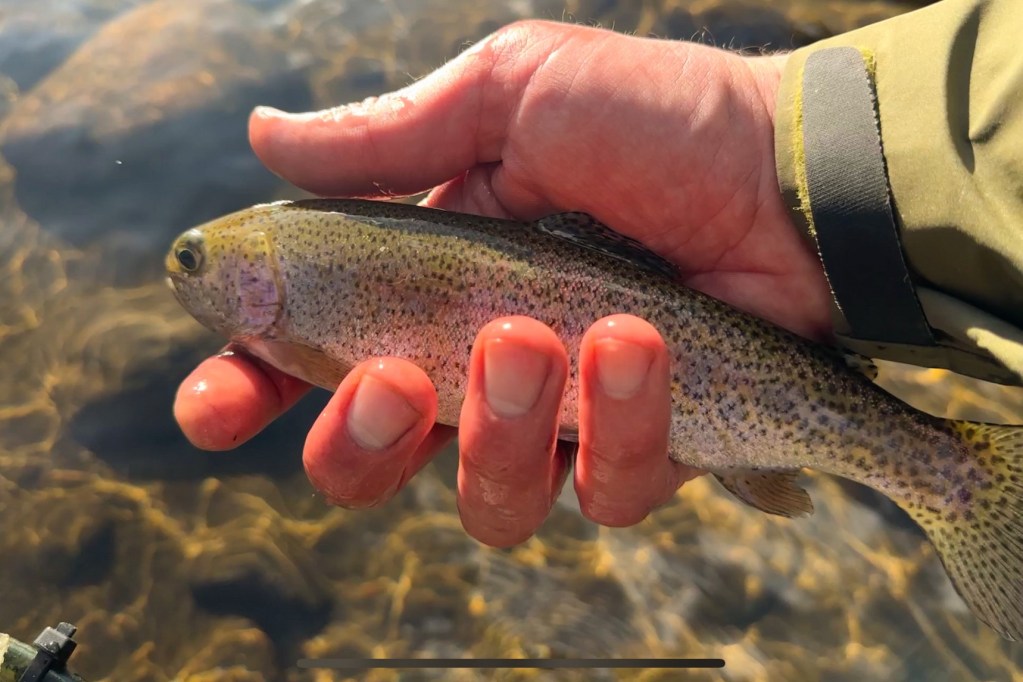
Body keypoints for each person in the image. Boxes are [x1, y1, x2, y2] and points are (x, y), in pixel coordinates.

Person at [173, 0, 1023, 547]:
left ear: (254, 275)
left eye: (194, 261)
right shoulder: (298, 263)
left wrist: (770, 150)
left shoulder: (293, 298)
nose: (182, 272)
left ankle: (959, 478)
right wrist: (782, 149)